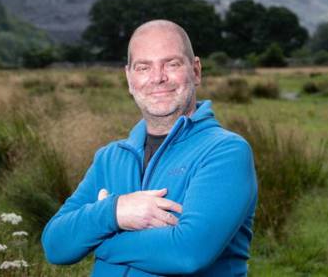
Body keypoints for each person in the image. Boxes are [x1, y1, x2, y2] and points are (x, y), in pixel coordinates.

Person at [42, 20, 258, 276]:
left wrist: (99, 241)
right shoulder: (110, 158)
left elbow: (187, 253)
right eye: (143, 67)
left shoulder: (225, 151)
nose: (157, 78)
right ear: (129, 78)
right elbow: (55, 246)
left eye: (172, 64)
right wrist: (115, 212)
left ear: (196, 71)